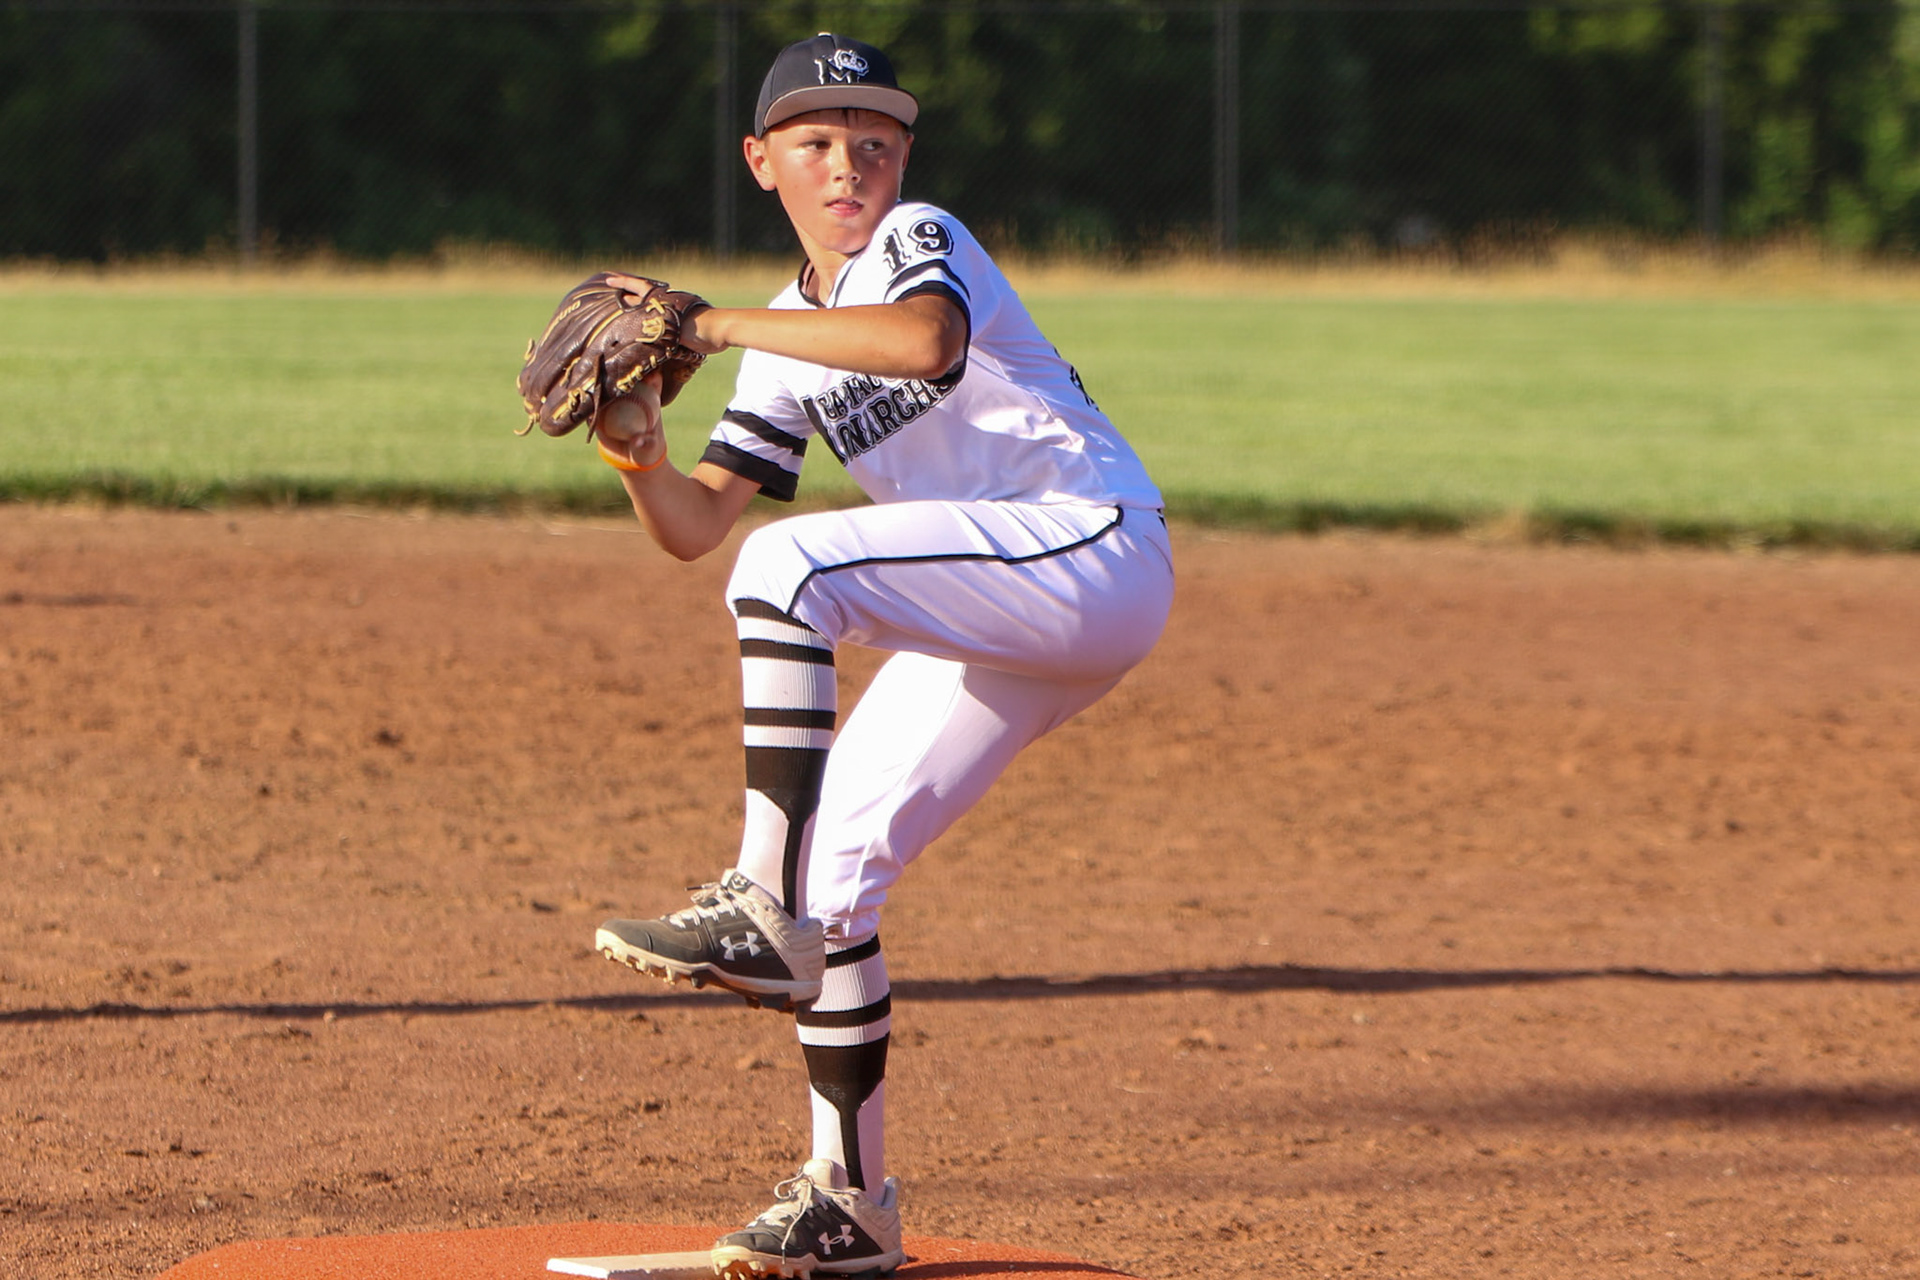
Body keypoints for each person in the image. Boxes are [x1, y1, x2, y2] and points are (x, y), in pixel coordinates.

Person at [589, 32, 1175, 1280]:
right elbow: (698, 525)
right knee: (838, 869)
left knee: (793, 567)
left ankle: (753, 905)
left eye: (875, 140)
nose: (850, 162)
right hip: (1003, 604)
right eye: (816, 141)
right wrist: (637, 446)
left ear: (905, 157)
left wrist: (709, 322)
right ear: (762, 163)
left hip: (1088, 542)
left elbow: (924, 346)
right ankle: (850, 1202)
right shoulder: (793, 338)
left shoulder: (922, 237)